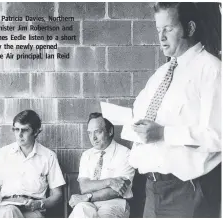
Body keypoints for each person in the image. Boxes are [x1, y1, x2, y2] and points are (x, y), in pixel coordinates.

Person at [126, 2, 221, 217]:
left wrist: (163, 133)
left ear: (190, 28)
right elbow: (139, 113)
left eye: (168, 29)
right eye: (158, 30)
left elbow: (217, 136)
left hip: (188, 193)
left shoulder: (212, 70)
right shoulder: (160, 74)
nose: (161, 37)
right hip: (152, 190)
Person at [0, 110, 66, 218]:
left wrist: (39, 204)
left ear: (36, 132)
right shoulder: (3, 153)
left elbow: (57, 195)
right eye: (16, 129)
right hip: (4, 208)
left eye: (24, 130)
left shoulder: (48, 156)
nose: (19, 135)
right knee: (9, 212)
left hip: (33, 211)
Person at [69, 113, 135, 218]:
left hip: (114, 203)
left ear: (110, 131)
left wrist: (88, 196)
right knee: (80, 212)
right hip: (88, 203)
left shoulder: (125, 154)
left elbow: (117, 190)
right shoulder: (87, 155)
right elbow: (84, 187)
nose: (93, 138)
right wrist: (109, 181)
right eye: (89, 133)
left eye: (97, 132)